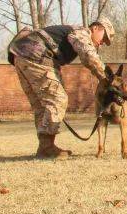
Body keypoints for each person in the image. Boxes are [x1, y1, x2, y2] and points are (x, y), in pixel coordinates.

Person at [7, 19, 115, 158]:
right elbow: (89, 56)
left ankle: (45, 147)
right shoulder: (82, 32)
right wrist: (107, 78)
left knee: (42, 105)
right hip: (37, 56)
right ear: (95, 28)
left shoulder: (71, 31)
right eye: (104, 37)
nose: (103, 42)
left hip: (21, 55)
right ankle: (47, 148)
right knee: (58, 99)